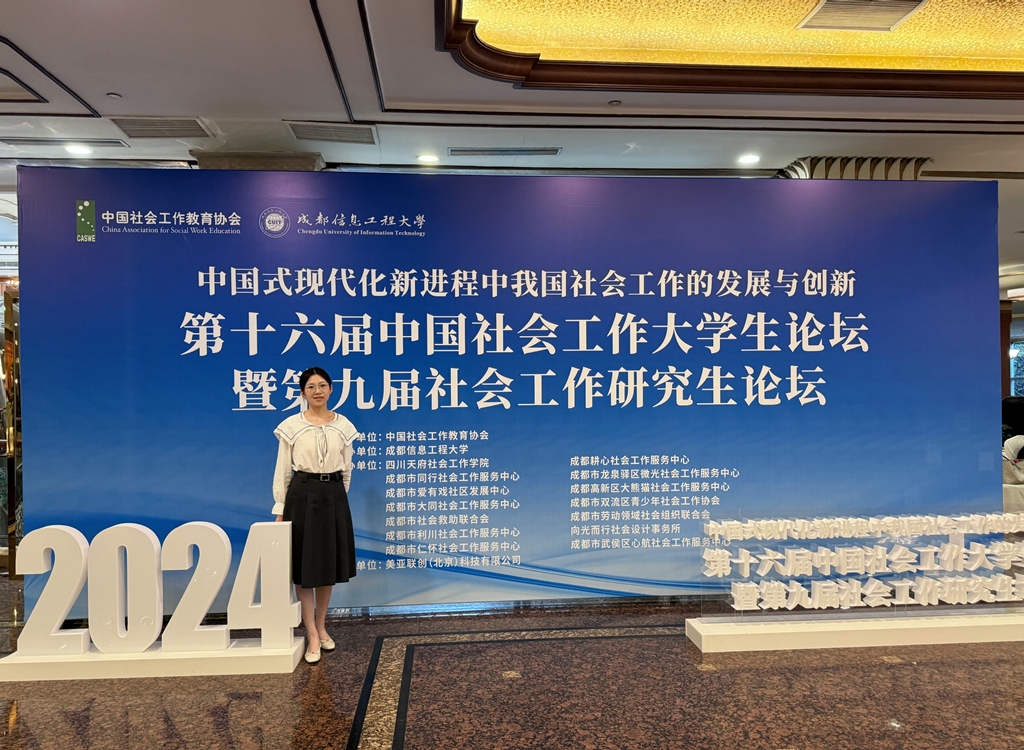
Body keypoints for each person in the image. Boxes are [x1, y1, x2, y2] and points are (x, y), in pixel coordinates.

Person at [272, 367, 358, 664]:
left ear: (331, 389)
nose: (317, 391)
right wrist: (280, 508)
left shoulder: (343, 425)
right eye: (311, 387)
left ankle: (322, 626)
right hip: (302, 494)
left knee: (327, 565)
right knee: (304, 567)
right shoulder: (291, 426)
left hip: (333, 495)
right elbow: (283, 469)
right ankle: (310, 633)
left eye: (322, 385)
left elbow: (347, 467)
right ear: (303, 393)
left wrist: (339, 497)